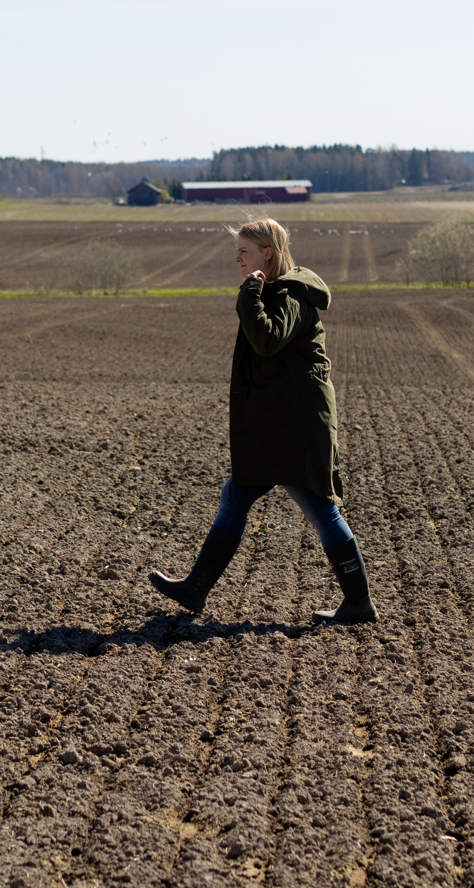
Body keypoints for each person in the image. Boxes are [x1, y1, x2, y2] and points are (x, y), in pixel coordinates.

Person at [149, 218, 377, 625]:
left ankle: (359, 604)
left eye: (244, 251)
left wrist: (249, 293)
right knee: (236, 495)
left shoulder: (288, 296)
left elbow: (266, 339)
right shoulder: (276, 290)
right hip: (280, 424)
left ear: (266, 253)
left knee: (322, 511)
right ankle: (196, 588)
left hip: (299, 428)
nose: (237, 258)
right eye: (236, 251)